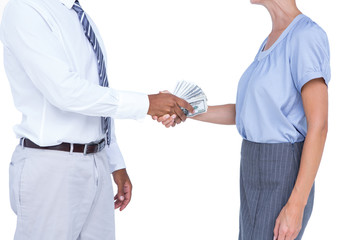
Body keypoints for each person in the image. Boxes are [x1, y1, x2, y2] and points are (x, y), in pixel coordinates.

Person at [0, 0, 193, 239]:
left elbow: (96, 90)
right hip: (52, 168)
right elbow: (65, 92)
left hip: (96, 162)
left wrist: (113, 160)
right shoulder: (26, 9)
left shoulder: (77, 14)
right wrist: (146, 103)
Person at [156, 0, 330, 239]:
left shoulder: (306, 36)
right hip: (252, 165)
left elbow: (318, 126)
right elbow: (248, 111)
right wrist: (185, 110)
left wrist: (297, 205)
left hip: (280, 167)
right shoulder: (271, 40)